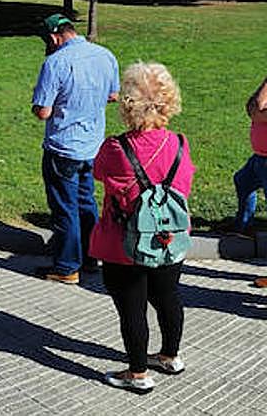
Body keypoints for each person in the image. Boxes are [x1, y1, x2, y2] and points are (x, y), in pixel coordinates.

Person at [90, 62, 195, 393]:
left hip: (125, 242)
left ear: (127, 104)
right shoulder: (180, 143)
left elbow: (98, 174)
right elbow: (185, 184)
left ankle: (137, 374)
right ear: (168, 102)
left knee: (132, 308)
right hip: (169, 239)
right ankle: (170, 356)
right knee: (168, 297)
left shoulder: (115, 147)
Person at [31, 13, 120, 283]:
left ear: (53, 37)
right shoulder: (106, 55)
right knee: (86, 202)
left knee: (64, 207)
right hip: (93, 146)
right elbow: (113, 95)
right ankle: (91, 256)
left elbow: (43, 112)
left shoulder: (55, 62)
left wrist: (39, 104)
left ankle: (67, 266)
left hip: (63, 148)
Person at [226, 75, 267, 238]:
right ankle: (243, 224)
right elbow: (251, 108)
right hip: (259, 158)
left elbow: (256, 108)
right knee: (243, 181)